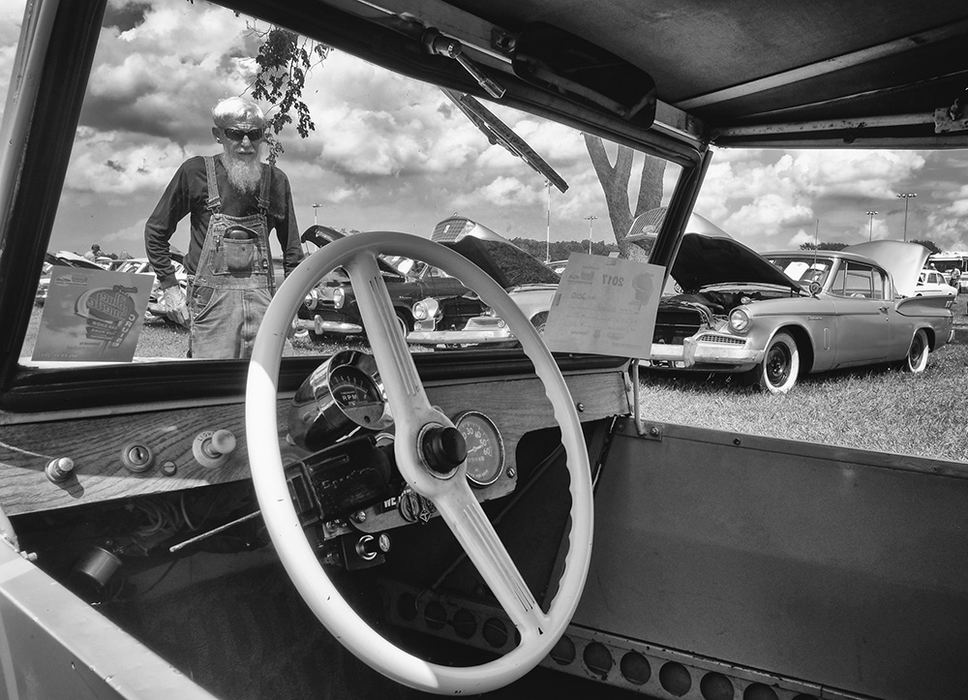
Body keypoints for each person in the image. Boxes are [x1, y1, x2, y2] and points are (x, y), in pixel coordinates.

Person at [145, 96, 302, 358]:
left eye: (255, 134)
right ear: (218, 134)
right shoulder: (195, 172)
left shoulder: (276, 181)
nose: (246, 143)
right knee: (212, 385)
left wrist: (293, 303)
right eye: (235, 134)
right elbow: (156, 231)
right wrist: (170, 286)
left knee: (274, 381)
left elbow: (293, 249)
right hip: (211, 306)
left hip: (267, 305)